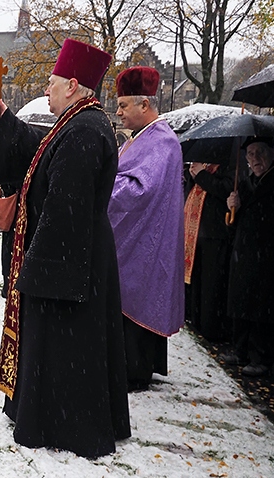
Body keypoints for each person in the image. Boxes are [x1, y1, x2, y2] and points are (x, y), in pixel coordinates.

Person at [0, 38, 130, 459]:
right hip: (79, 256)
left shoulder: (84, 130)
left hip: (68, 260)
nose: (45, 91)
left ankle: (61, 422)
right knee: (70, 348)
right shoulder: (81, 122)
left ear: (72, 84)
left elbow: (65, 207)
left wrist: (34, 268)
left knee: (65, 347)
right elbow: (43, 155)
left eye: (50, 84)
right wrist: (11, 124)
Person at [108, 66, 185, 392]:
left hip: (145, 244)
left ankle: (134, 371)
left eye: (124, 105)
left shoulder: (162, 141)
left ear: (144, 105)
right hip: (140, 239)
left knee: (136, 301)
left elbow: (139, 191)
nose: (119, 112)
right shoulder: (144, 138)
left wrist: (101, 187)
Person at [223, 137, 274, 376]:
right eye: (250, 154)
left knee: (262, 309)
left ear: (270, 154)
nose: (255, 159)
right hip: (244, 252)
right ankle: (241, 350)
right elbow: (232, 226)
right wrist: (232, 206)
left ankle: (262, 357)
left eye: (259, 153)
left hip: (269, 254)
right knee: (241, 304)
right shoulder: (247, 182)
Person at [184, 161, 236, 342]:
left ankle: (211, 328)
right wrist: (194, 177)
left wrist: (202, 176)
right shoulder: (203, 164)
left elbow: (225, 189)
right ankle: (195, 321)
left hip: (215, 233)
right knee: (196, 281)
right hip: (196, 233)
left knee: (211, 285)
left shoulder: (232, 163)